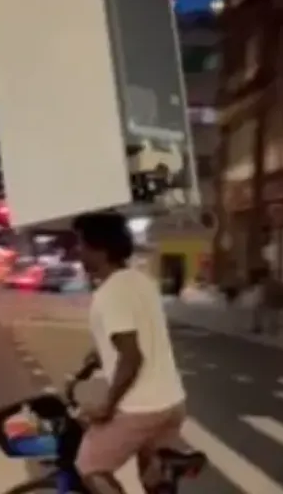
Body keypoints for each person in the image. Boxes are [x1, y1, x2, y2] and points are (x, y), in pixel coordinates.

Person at [71, 210, 186, 494]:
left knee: (90, 465)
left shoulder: (110, 293)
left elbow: (132, 357)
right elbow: (139, 335)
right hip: (172, 403)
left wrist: (106, 407)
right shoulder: (142, 282)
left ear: (101, 249)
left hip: (140, 408)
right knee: (152, 480)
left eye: (82, 245)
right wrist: (100, 353)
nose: (79, 252)